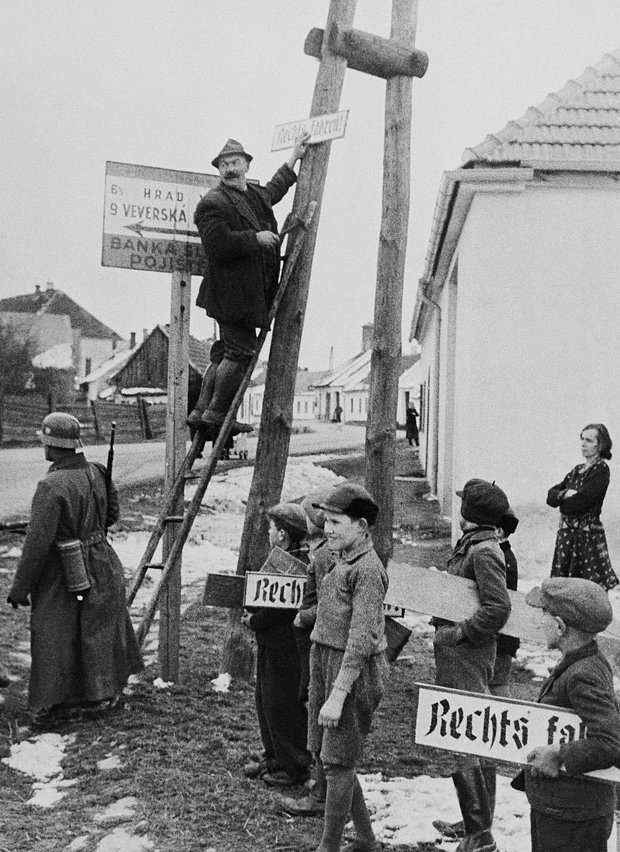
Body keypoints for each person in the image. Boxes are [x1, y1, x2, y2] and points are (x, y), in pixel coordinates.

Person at [6, 413, 143, 727]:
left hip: (63, 571)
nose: (43, 447)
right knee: (96, 629)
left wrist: (20, 589)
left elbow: (36, 545)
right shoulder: (97, 471)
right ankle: (101, 692)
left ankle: (61, 703)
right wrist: (90, 535)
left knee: (55, 632)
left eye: (45, 441)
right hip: (103, 561)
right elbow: (112, 515)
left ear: (54, 444)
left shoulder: (51, 485)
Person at [190, 131, 310, 437]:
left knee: (224, 352)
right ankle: (216, 415)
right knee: (241, 352)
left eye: (235, 162)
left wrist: (294, 156)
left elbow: (273, 190)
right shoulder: (212, 203)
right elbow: (217, 246)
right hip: (230, 294)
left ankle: (201, 412)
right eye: (224, 164)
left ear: (246, 165)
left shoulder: (252, 195)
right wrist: (254, 238)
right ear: (219, 170)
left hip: (247, 294)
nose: (230, 168)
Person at [431, 479, 512, 852]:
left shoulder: (484, 551)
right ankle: (475, 822)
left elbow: (498, 608)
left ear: (471, 514)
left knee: (462, 737)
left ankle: (480, 835)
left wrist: (461, 634)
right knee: (466, 736)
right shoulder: (475, 545)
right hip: (456, 653)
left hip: (467, 653)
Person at [307, 481, 388, 852]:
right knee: (332, 756)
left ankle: (329, 847)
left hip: (352, 670)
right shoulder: (342, 559)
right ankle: (367, 841)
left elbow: (360, 639)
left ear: (361, 527)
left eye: (337, 522)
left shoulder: (368, 570)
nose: (328, 529)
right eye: (326, 521)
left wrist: (339, 694)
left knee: (338, 762)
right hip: (326, 659)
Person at [518, 577, 620, 852]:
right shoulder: (585, 661)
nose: (539, 622)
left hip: (572, 816)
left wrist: (559, 755)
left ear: (561, 626)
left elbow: (611, 743)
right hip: (567, 808)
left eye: (544, 614)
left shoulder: (583, 673)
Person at [241, 502, 312, 788]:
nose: (269, 532)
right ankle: (274, 755)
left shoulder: (294, 564)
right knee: (266, 701)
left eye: (272, 528)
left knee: (283, 705)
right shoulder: (281, 558)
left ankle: (294, 765)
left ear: (282, 534)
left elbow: (281, 607)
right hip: (272, 642)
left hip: (286, 645)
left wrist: (254, 620)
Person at [279, 487, 335, 818]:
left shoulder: (326, 555)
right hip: (310, 642)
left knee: (319, 712)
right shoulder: (319, 551)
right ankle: (321, 784)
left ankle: (323, 791)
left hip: (317, 639)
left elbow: (330, 602)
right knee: (311, 704)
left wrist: (303, 616)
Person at [547, 423, 618, 591]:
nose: (583, 444)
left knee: (586, 592)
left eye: (589, 440)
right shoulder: (576, 470)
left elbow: (580, 503)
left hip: (586, 539)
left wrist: (565, 501)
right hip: (567, 538)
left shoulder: (601, 470)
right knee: (562, 591)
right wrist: (564, 494)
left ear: (600, 445)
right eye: (582, 439)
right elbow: (550, 496)